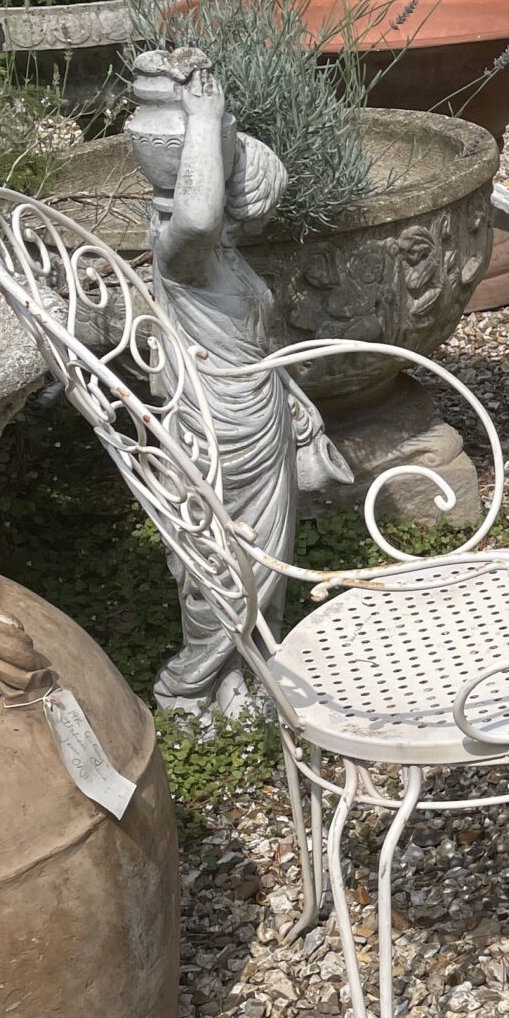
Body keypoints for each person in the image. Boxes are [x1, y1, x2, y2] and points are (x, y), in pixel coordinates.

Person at [131, 48, 349, 715]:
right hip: (213, 433)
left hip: (254, 418)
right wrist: (206, 116)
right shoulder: (180, 255)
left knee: (267, 556)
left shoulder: (222, 259)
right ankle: (186, 686)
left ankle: (245, 670)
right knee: (220, 563)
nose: (246, 212)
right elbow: (196, 215)